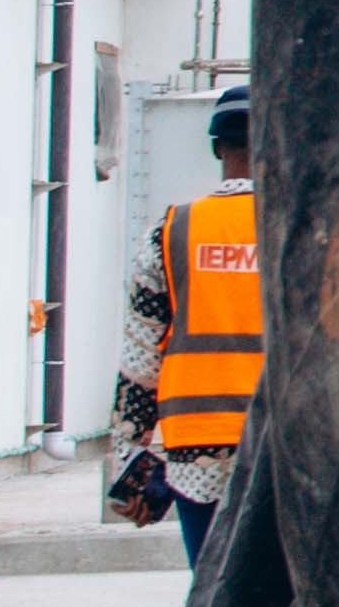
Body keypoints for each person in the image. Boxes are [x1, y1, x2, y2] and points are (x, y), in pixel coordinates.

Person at [105, 83, 258, 538]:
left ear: (216, 148)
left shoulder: (170, 233)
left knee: (214, 592)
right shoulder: (308, 231)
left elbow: (139, 362)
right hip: (290, 440)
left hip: (198, 444)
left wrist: (128, 461)